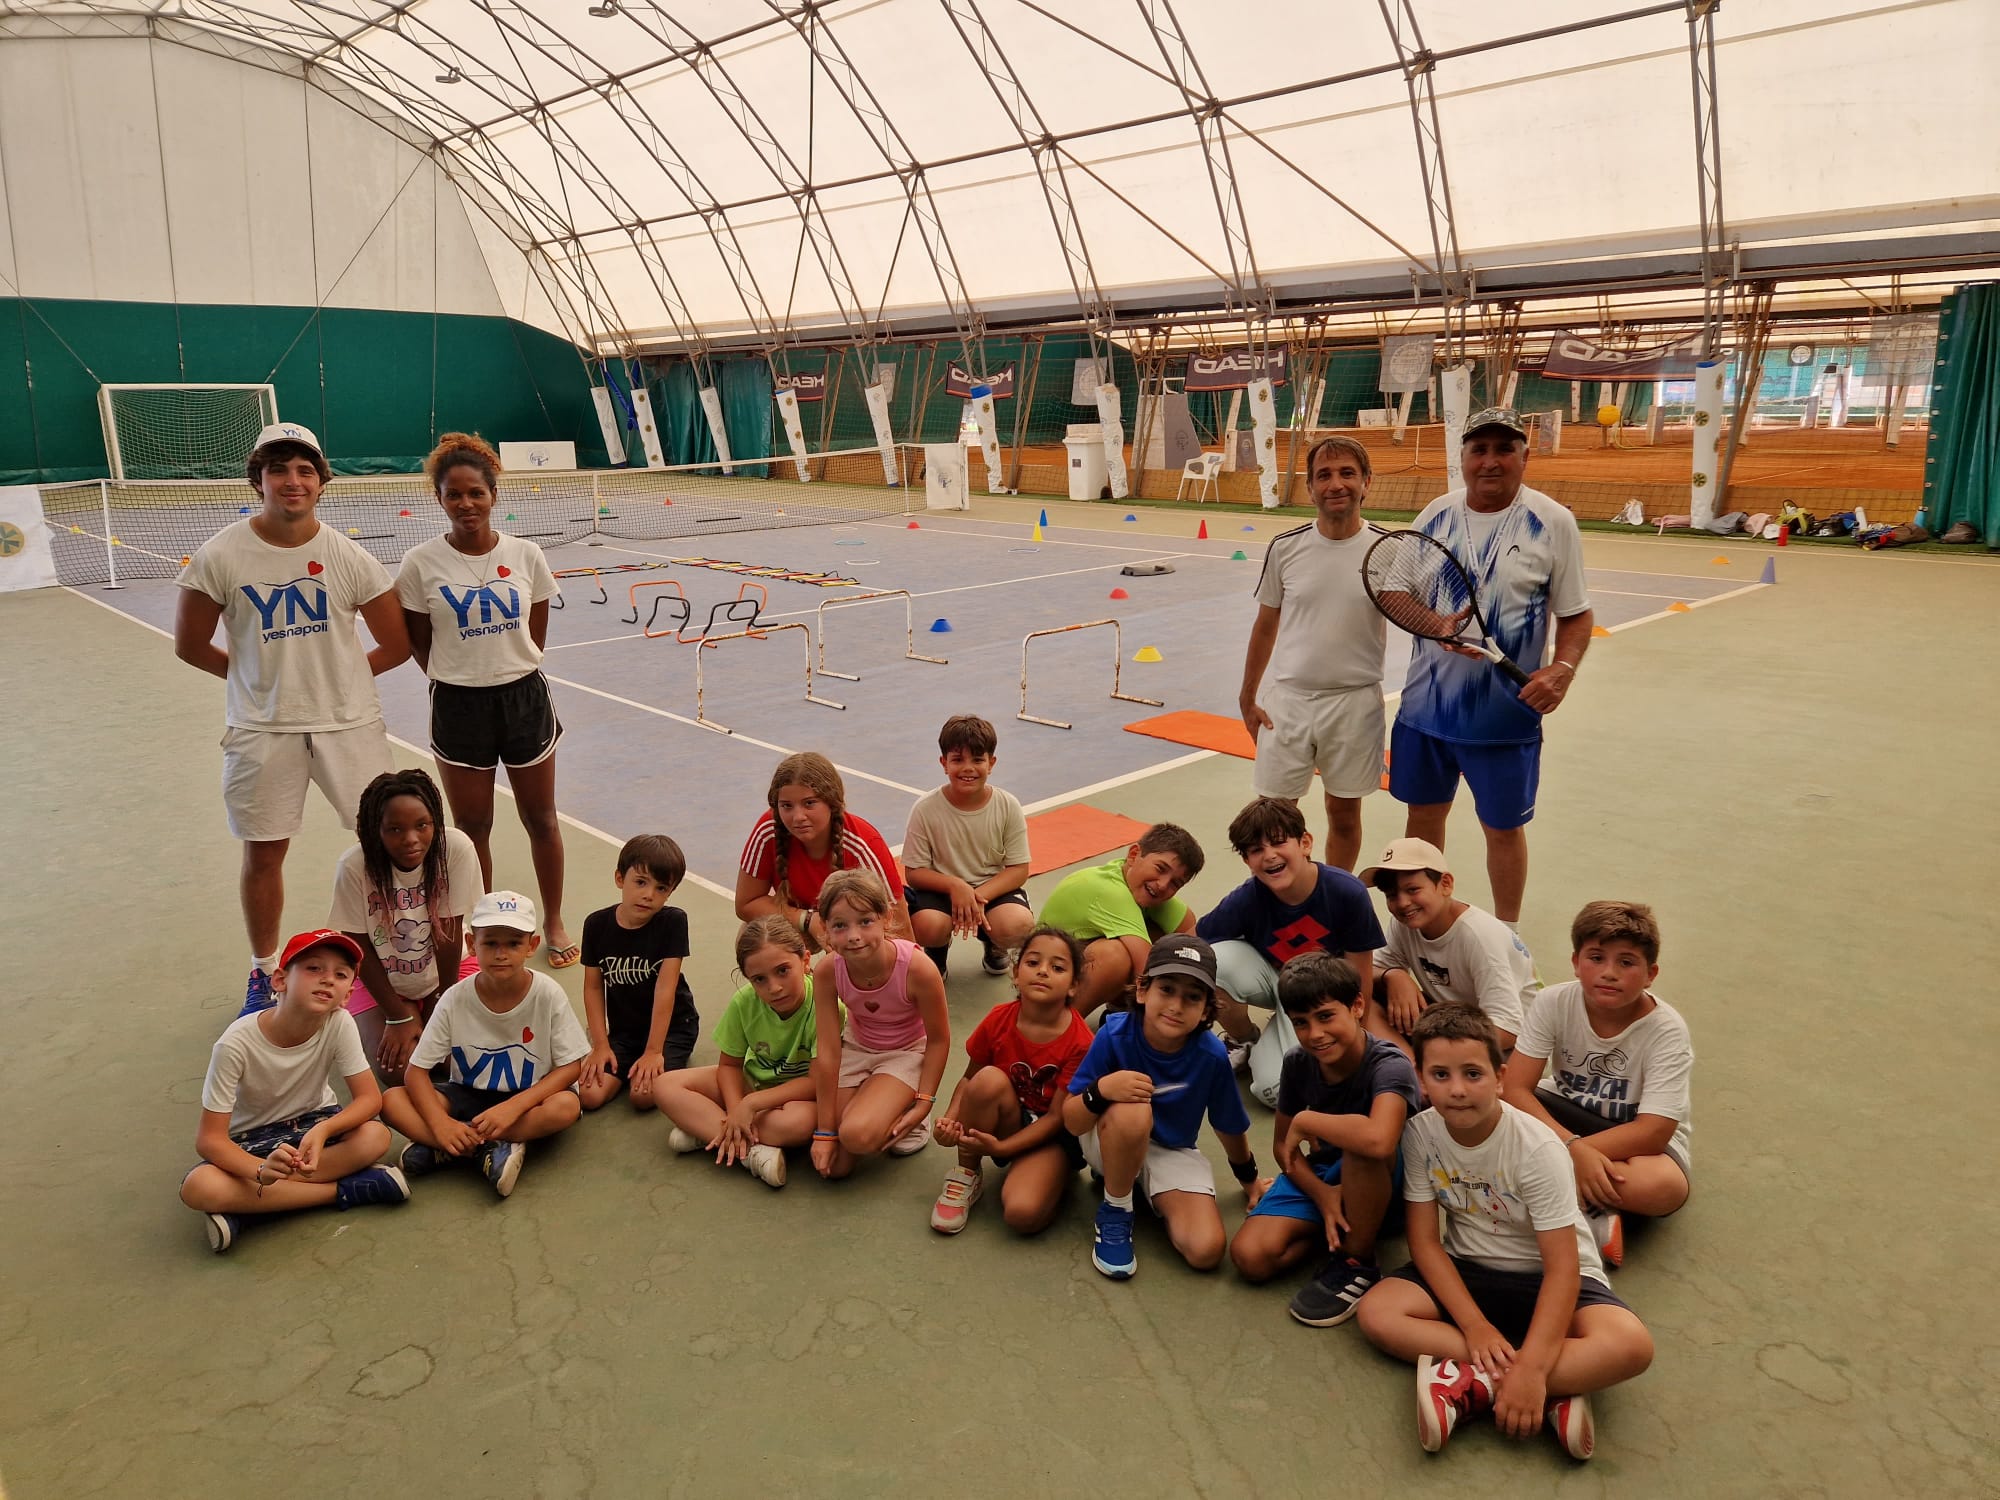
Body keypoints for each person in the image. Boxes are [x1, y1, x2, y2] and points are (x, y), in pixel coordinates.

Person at [174, 422, 409, 1013]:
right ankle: (262, 972)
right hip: (261, 730)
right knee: (263, 852)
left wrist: (341, 683)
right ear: (259, 479)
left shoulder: (348, 556)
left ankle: (399, 956)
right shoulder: (220, 556)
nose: (292, 480)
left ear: (321, 482)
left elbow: (397, 643)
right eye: (279, 469)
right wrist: (261, 683)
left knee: (383, 847)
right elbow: (190, 644)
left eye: (305, 469)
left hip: (349, 726)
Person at [1354, 1005, 1654, 1461]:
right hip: (1468, 1268)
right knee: (1378, 1312)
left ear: (1499, 1077)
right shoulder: (1419, 1134)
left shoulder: (1538, 1149)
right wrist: (1475, 1327)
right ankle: (1557, 1385)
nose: (1457, 1090)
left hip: (1547, 1277)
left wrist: (1532, 1369)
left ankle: (1475, 1382)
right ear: (1420, 1077)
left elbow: (1562, 1268)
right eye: (1440, 1074)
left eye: (1473, 1074)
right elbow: (1426, 1243)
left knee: (1631, 1345)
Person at [1388, 408, 1594, 926]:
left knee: (1503, 828)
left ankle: (1507, 935)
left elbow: (1576, 613)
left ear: (1525, 456)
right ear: (1462, 458)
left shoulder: (1553, 522)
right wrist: (1435, 624)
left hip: (1506, 718)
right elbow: (1393, 591)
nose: (1490, 461)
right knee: (1422, 822)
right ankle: (1422, 924)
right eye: (1479, 450)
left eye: (1504, 449)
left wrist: (1563, 668)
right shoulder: (1435, 514)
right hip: (1425, 714)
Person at [395, 434, 574, 964]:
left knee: (541, 818)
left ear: (494, 494)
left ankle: (555, 920)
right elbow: (417, 640)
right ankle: (489, 928)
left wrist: (504, 667)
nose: (466, 504)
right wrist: (459, 674)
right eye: (454, 495)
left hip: (524, 701)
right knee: (473, 830)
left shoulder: (526, 554)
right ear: (440, 499)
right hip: (458, 707)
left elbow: (534, 632)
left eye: (476, 493)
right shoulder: (420, 563)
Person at [180, 929, 409, 1254]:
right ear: (279, 980)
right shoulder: (234, 1045)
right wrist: (259, 1170)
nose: (328, 979)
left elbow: (369, 1099)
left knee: (376, 1137)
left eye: (340, 974)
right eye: (314, 968)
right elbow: (211, 1140)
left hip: (314, 1128)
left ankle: (250, 1210)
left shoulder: (339, 1022)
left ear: (346, 996)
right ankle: (345, 1191)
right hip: (252, 1141)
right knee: (199, 1187)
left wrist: (324, 1129)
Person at [1230, 953, 1421, 1329]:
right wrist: (1323, 1195)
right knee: (1250, 1256)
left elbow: (1381, 1141)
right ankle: (1339, 1225)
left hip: (1389, 1182)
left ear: (1357, 1006)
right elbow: (1284, 1149)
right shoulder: (1299, 1062)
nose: (1315, 1034)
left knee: (1361, 1144)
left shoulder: (1389, 1064)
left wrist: (1308, 1118)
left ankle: (1358, 1261)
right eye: (1300, 1023)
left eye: (1326, 1016)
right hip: (1327, 1176)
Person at [1503, 902, 1692, 1268]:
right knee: (1493, 1105)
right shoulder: (1553, 1001)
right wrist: (1573, 1150)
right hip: (1565, 1116)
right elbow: (1516, 1089)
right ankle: (1593, 1214)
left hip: (1634, 1139)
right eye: (1596, 957)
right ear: (1576, 962)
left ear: (1650, 973)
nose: (1609, 973)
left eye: (1626, 962)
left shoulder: (1667, 1030)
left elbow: (1653, 1131)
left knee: (1664, 1188)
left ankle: (1552, 1201)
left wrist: (1568, 1154)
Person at [1061, 935, 1262, 1279]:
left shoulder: (1211, 1056)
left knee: (1206, 1250)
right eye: (1166, 989)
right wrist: (1103, 1089)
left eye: (1192, 997)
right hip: (1110, 1131)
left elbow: (1228, 1125)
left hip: (1169, 1149)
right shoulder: (1114, 1035)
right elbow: (1073, 1121)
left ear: (1206, 1011)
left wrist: (1251, 1181)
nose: (1176, 1005)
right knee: (1133, 1108)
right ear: (1142, 991)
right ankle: (1117, 1207)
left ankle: (1133, 1180)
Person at [1238, 436, 1387, 872]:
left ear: (1366, 483)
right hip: (1290, 703)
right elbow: (1266, 626)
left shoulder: (1386, 548)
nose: (1335, 483)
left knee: (1344, 814)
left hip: (1355, 703)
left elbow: (1413, 617)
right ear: (1310, 488)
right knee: (1273, 818)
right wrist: (1247, 697)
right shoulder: (1285, 548)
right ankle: (1279, 903)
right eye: (1323, 475)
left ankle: (1334, 898)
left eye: (1347, 473)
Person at [382, 891, 588, 1198]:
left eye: (514, 943)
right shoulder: (454, 998)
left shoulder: (547, 993)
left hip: (526, 1097)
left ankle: (450, 1148)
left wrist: (514, 1107)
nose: (501, 953)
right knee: (391, 1101)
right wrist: (440, 1124)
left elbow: (572, 1066)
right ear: (471, 944)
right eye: (490, 942)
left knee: (566, 1107)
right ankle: (477, 1148)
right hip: (466, 1094)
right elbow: (416, 1073)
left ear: (531, 946)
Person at [1197, 797, 1384, 1106]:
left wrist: (1354, 1035)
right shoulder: (1247, 898)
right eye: (1256, 850)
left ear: (1306, 843)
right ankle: (1244, 1040)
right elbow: (1195, 940)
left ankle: (1278, 1039)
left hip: (1320, 995)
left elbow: (1360, 972)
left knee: (1272, 1091)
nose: (1269, 856)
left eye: (1278, 843)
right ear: (1247, 861)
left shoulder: (1347, 892)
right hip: (1275, 979)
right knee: (1210, 960)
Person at [928, 926, 1093, 1236]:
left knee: (1022, 1214)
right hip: (1009, 1118)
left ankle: (1053, 1174)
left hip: (1050, 1136)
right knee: (987, 1079)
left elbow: (1058, 1117)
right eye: (1033, 963)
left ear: (1073, 986)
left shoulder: (1082, 1043)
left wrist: (1002, 1148)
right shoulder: (999, 1017)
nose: (1043, 971)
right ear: (1016, 974)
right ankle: (966, 1170)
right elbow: (968, 1079)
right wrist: (950, 1121)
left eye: (1057, 967)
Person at [657, 916, 839, 1190]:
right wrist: (735, 1110)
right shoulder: (743, 1002)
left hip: (798, 1097)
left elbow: (816, 1081)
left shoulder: (826, 1005)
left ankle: (705, 1130)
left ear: (805, 959)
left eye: (782, 971)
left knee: (801, 1123)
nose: (774, 987)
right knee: (664, 1085)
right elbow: (729, 1067)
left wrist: (750, 1105)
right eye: (759, 979)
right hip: (751, 1083)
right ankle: (750, 1152)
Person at [329, 768, 482, 1082]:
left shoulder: (455, 848)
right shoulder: (354, 866)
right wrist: (397, 1016)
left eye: (422, 825)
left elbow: (450, 932)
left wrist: (442, 1003)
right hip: (382, 983)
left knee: (455, 1064)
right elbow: (357, 946)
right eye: (395, 829)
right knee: (398, 1070)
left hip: (450, 973)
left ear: (435, 823)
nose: (411, 839)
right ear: (375, 831)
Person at [808, 871, 951, 1178]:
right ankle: (879, 1102)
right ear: (825, 929)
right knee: (835, 1168)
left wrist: (925, 1102)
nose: (854, 935)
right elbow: (830, 1047)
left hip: (907, 1052)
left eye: (865, 921)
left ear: (887, 918)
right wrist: (823, 1132)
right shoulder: (826, 971)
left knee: (856, 1135)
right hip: (858, 1048)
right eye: (840, 926)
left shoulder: (918, 969)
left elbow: (938, 1040)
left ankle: (904, 1104)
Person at [1362, 837, 1536, 1055]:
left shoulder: (1479, 936)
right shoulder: (1405, 923)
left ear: (1446, 884)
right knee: (1360, 996)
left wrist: (1439, 1054)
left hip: (1506, 1047)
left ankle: (1420, 1067)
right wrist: (1394, 975)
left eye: (1413, 889)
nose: (1403, 903)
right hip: (1449, 1023)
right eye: (1392, 895)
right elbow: (1365, 971)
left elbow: (1507, 1029)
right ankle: (1407, 1062)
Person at [903, 714, 1035, 979]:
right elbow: (914, 873)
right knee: (926, 925)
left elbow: (1019, 869)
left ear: (991, 762)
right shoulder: (925, 809)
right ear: (944, 763)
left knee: (1017, 924)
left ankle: (993, 943)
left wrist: (976, 897)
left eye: (977, 759)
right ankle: (937, 949)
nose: (968, 768)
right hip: (940, 890)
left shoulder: (1007, 805)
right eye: (957, 759)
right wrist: (956, 886)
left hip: (991, 889)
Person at [736, 752, 910, 947]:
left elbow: (901, 931)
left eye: (809, 803)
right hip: (802, 922)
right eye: (787, 806)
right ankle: (797, 976)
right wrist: (808, 920)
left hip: (854, 927)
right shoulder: (769, 830)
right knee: (755, 936)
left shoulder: (863, 844)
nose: (798, 816)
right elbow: (746, 903)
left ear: (832, 802)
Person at [578, 834, 696, 1113]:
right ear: (620, 878)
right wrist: (600, 1044)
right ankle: (626, 1060)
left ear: (670, 893)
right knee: (589, 1095)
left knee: (642, 1097)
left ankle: (668, 1069)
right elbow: (593, 988)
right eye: (640, 882)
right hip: (625, 1032)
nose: (648, 894)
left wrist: (654, 1052)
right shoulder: (596, 925)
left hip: (673, 1029)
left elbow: (665, 990)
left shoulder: (673, 922)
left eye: (661, 888)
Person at [1039, 824, 1203, 1020]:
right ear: (1134, 855)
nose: (1162, 885)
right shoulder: (1108, 891)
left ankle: (1121, 1011)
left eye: (1176, 883)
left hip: (1071, 966)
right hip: (1042, 978)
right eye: (1160, 868)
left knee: (1174, 942)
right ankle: (1056, 1025)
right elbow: (1146, 969)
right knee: (1116, 955)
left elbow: (1195, 943)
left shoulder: (1142, 886)